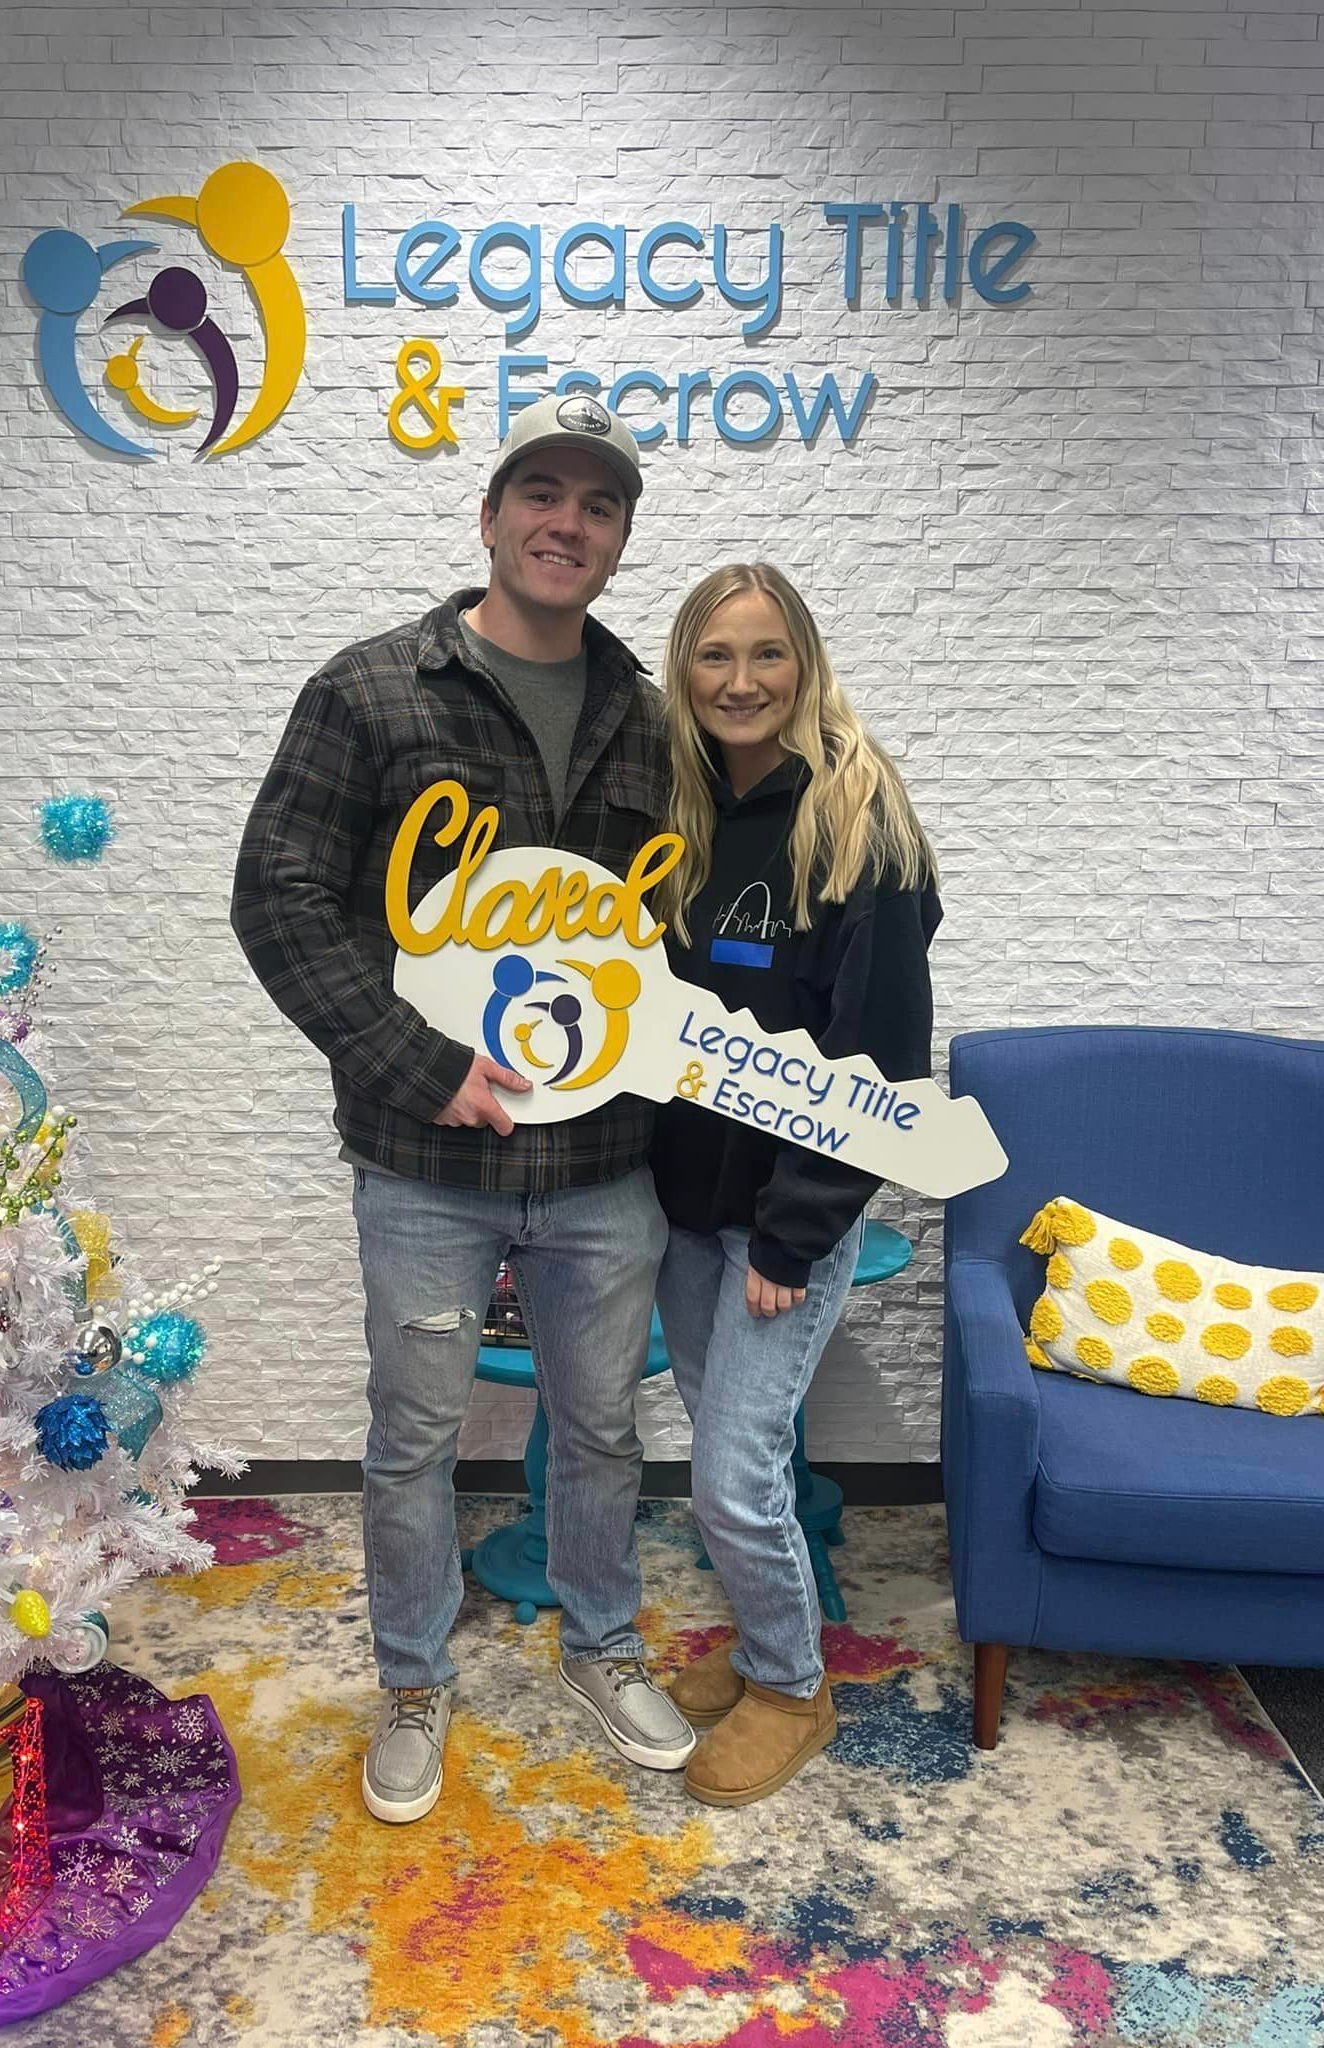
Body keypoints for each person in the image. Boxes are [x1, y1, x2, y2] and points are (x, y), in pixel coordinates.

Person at [230, 394, 695, 1826]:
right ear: (490, 517)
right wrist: (420, 1062)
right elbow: (279, 897)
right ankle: (413, 1679)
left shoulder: (651, 716)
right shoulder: (374, 691)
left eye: (598, 505)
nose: (569, 524)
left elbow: (685, 925)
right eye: (541, 494)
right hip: (424, 1158)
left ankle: (602, 1646)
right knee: (415, 1436)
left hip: (610, 1165)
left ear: (620, 538)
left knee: (605, 1429)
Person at [650, 563, 940, 1807]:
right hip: (680, 1207)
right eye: (716, 656)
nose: (742, 681)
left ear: (805, 663)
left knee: (730, 1468)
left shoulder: (862, 826)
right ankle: (767, 1643)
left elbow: (880, 1063)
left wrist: (794, 1233)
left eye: (767, 654)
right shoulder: (683, 810)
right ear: (684, 672)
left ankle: (789, 1685)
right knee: (735, 1453)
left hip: (783, 1224)